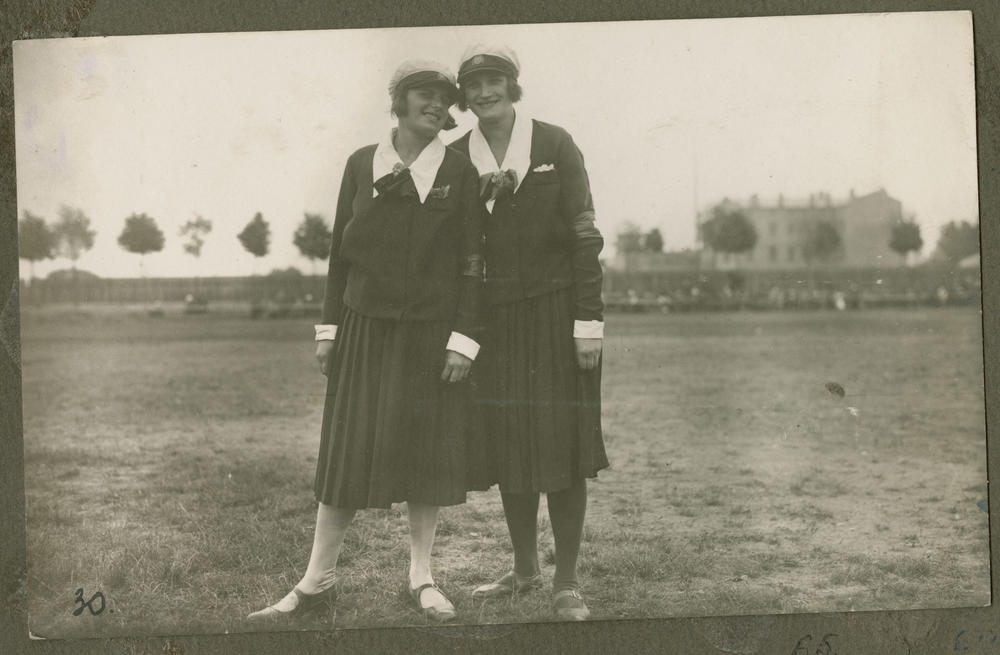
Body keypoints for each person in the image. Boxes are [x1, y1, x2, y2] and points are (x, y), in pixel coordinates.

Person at [248, 59, 486, 623]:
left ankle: (422, 577)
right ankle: (316, 581)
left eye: (444, 97)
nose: (436, 104)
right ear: (398, 102)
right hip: (363, 329)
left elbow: (473, 264)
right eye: (424, 94)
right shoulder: (361, 163)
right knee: (346, 452)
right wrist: (329, 329)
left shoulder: (460, 170)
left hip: (431, 333)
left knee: (426, 454)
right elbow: (339, 255)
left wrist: (463, 339)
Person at [450, 45, 608, 621]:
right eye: (473, 85)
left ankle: (566, 583)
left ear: (512, 85)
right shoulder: (455, 157)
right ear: (464, 96)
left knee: (561, 446)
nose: (484, 92)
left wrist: (587, 323)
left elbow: (585, 234)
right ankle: (523, 571)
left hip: (557, 315)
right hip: (494, 321)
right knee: (510, 443)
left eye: (494, 80)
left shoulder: (555, 144)